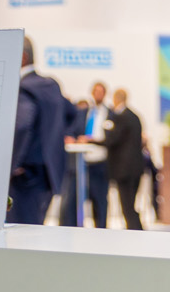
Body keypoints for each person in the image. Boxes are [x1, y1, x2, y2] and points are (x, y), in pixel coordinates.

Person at [9, 36, 76, 225]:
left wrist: (11, 165)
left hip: (24, 176)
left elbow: (22, 126)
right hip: (48, 174)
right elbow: (72, 113)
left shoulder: (24, 88)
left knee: (20, 232)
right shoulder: (50, 85)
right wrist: (57, 137)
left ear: (22, 57)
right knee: (35, 229)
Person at [92, 87, 146, 230]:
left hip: (124, 170)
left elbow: (111, 140)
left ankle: (135, 233)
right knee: (131, 206)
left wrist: (91, 141)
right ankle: (137, 232)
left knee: (127, 207)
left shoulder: (120, 117)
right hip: (135, 169)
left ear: (115, 99)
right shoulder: (135, 117)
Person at [64, 81, 109, 227]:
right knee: (73, 199)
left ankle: (101, 232)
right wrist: (72, 138)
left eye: (101, 92)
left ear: (105, 94)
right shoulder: (83, 112)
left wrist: (93, 140)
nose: (98, 94)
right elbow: (73, 130)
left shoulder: (110, 114)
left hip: (100, 163)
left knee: (99, 202)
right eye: (96, 91)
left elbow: (113, 139)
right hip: (82, 162)